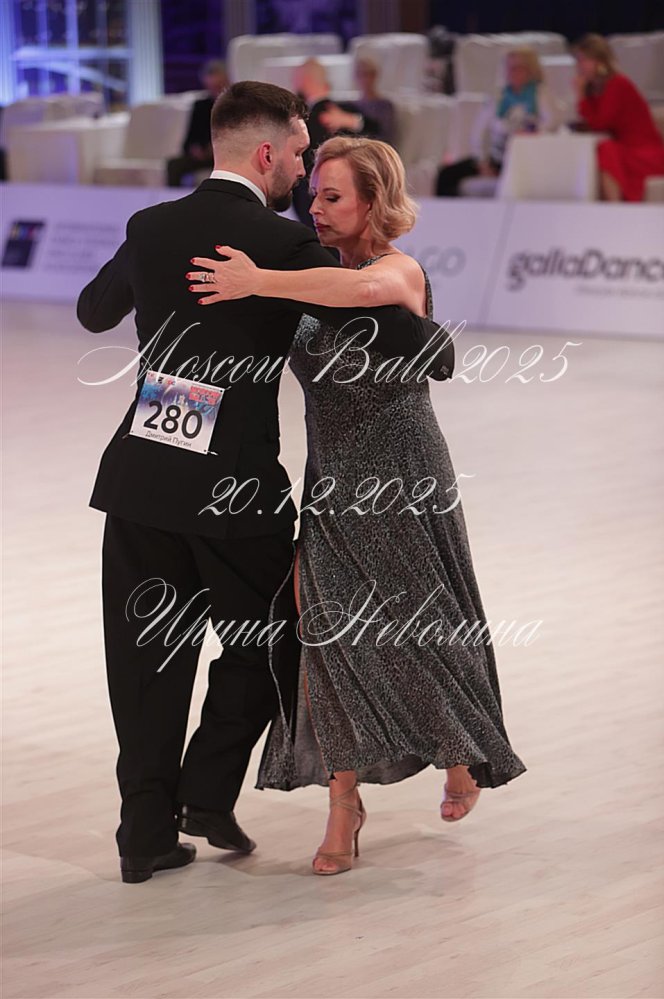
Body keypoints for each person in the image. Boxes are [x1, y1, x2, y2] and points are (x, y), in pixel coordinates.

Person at [77, 82, 449, 884]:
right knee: (273, 641)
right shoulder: (281, 244)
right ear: (269, 152)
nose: (304, 171)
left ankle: (144, 832)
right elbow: (420, 345)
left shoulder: (151, 226)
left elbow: (92, 311)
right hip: (234, 489)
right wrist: (399, 285)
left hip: (143, 476)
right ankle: (207, 791)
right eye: (302, 154)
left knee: (143, 658)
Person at [187, 135, 527, 876]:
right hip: (333, 480)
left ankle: (460, 748)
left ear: (375, 202)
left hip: (404, 474)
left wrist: (260, 279)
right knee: (330, 640)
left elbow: (367, 296)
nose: (316, 207)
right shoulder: (313, 275)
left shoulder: (398, 270)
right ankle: (345, 805)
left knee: (421, 628)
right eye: (316, 194)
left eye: (334, 196)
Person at [436, 48, 559, 196]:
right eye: (509, 68)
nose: (513, 73)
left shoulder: (540, 94)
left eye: (519, 68)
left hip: (527, 160)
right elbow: (479, 134)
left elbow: (553, 123)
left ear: (531, 70)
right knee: (446, 175)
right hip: (495, 159)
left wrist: (531, 132)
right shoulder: (498, 97)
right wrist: (483, 163)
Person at [572, 33, 664, 202]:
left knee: (606, 150)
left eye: (584, 60)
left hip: (644, 153)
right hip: (626, 148)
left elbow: (599, 123)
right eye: (578, 60)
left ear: (600, 62)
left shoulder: (618, 84)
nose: (580, 66)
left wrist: (580, 95)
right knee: (597, 152)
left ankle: (614, 207)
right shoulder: (594, 89)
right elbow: (592, 122)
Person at [292, 58, 381, 226]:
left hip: (310, 199)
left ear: (304, 80)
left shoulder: (302, 121)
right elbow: (377, 134)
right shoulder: (350, 111)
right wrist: (354, 121)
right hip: (356, 199)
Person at [167, 59, 228, 188]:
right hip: (202, 156)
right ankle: (175, 199)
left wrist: (215, 150)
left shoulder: (234, 106)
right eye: (212, 87)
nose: (216, 91)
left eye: (219, 87)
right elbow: (189, 140)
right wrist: (194, 149)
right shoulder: (200, 106)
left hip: (225, 155)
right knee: (174, 164)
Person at [353, 55, 397, 146]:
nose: (364, 79)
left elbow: (386, 135)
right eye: (360, 75)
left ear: (375, 76)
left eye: (367, 74)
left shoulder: (384, 105)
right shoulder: (353, 105)